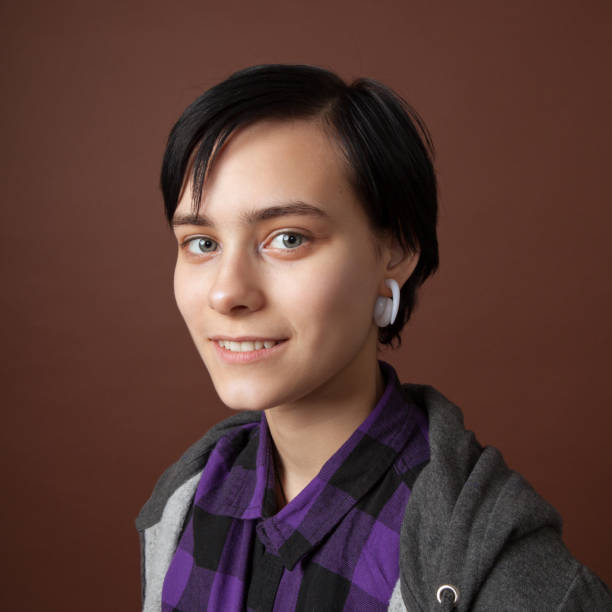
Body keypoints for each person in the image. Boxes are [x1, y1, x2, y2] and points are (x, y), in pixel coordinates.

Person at [135, 64, 611, 611]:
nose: (227, 294)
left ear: (397, 251)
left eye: (287, 238)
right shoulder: (187, 499)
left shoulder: (495, 565)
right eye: (201, 243)